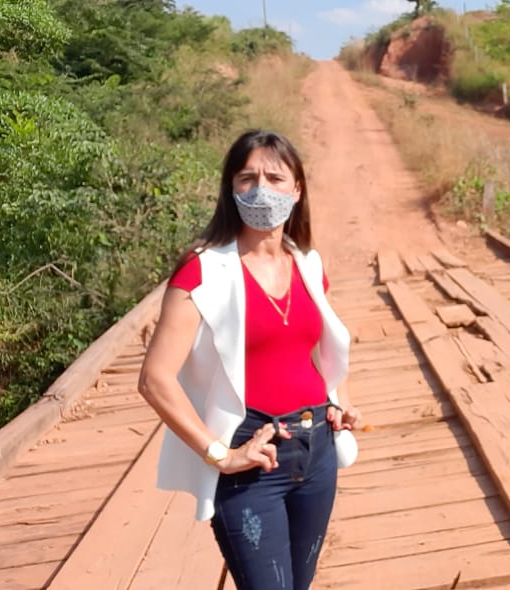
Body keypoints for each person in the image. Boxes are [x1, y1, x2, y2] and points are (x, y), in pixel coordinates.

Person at [138, 129, 362, 590]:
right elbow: (155, 379)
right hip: (251, 458)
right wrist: (220, 454)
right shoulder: (202, 270)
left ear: (297, 190)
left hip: (316, 448)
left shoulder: (307, 263)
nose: (261, 189)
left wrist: (338, 401)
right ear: (231, 188)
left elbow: (315, 353)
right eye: (247, 178)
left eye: (275, 178)